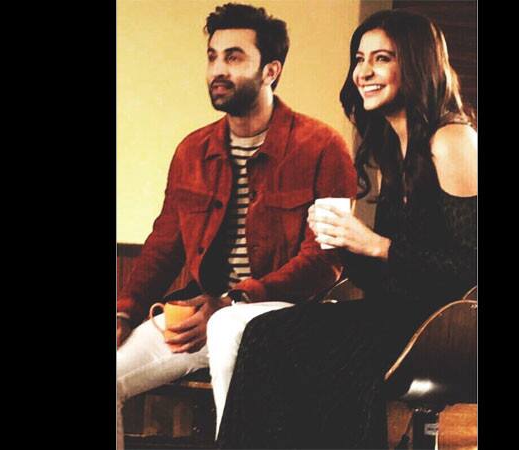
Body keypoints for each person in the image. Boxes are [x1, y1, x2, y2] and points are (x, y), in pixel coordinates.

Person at [217, 8, 477, 449]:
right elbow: (394, 274)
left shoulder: (451, 140)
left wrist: (376, 245)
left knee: (291, 346)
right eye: (359, 59)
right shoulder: (395, 147)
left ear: (417, 64)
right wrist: (344, 243)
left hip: (443, 330)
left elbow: (469, 271)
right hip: (400, 313)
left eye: (382, 58)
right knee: (264, 334)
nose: (363, 72)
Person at [116, 3, 357, 448]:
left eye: (234, 57)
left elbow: (325, 261)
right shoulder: (193, 151)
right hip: (202, 313)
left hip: (285, 315)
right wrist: (124, 311)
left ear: (270, 70)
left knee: (229, 329)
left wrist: (234, 300)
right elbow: (163, 246)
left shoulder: (322, 146)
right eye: (212, 56)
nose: (217, 70)